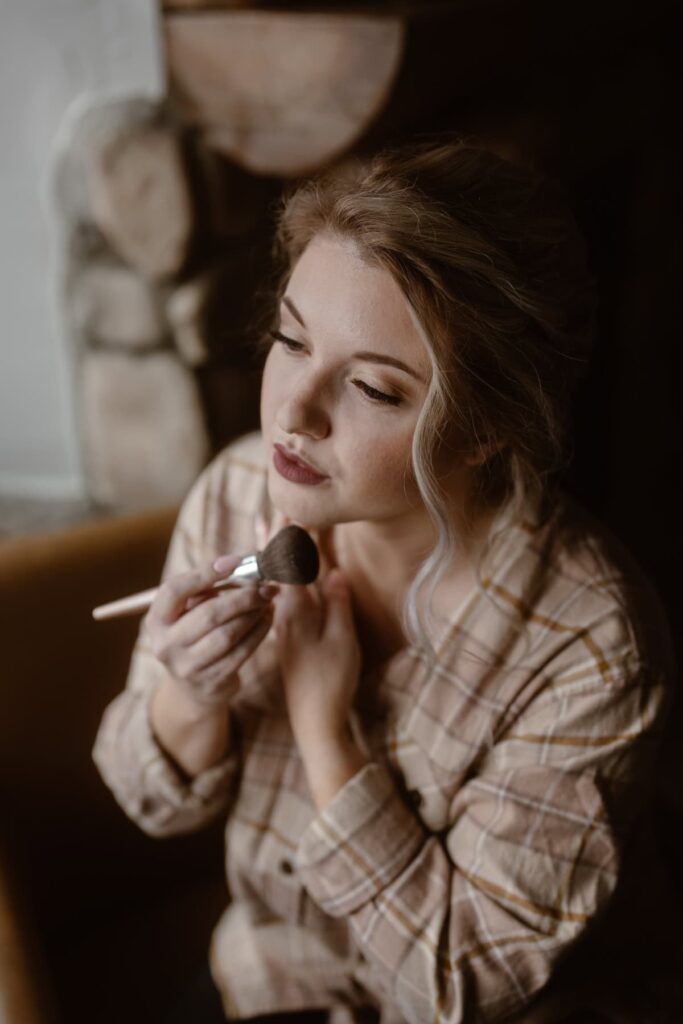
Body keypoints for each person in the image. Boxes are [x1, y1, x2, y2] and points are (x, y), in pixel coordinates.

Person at [93, 138, 678, 1023]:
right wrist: (188, 691)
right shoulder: (239, 493)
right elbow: (149, 806)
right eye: (291, 339)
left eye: (371, 387)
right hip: (267, 981)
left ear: (485, 428)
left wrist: (327, 736)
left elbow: (461, 987)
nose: (292, 412)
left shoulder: (591, 646)